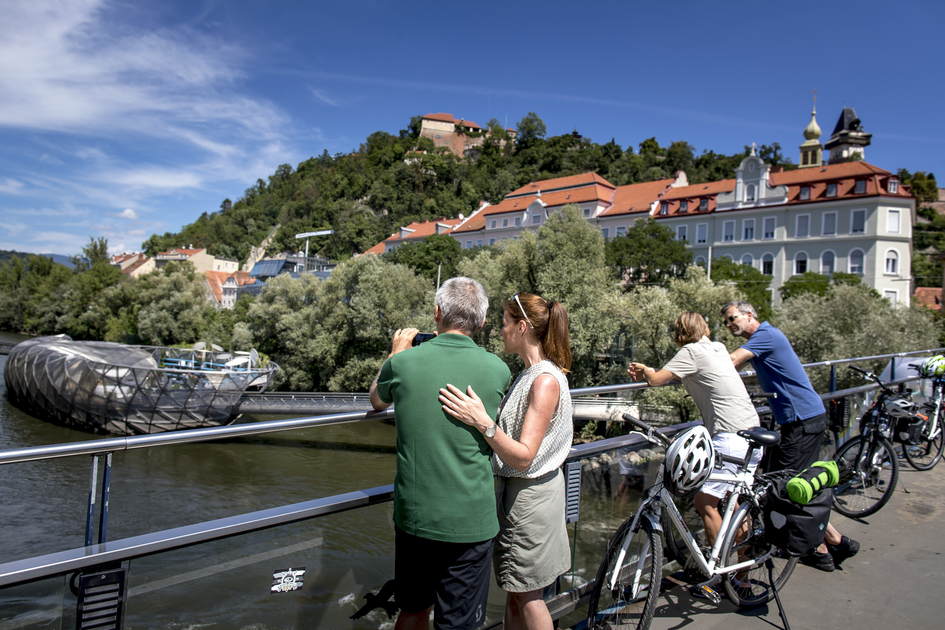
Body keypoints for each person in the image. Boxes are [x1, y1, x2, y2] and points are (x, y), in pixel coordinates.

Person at [370, 277, 511, 630]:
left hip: (416, 516)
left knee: (414, 609)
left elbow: (376, 399)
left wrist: (395, 355)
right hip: (471, 522)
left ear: (436, 313)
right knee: (459, 624)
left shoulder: (403, 364)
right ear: (480, 323)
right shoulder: (498, 369)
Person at [438, 292, 573, 630]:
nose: (500, 331)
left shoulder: (543, 381)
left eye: (505, 324)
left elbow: (524, 457)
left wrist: (482, 421)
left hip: (530, 499)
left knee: (528, 596)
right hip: (531, 495)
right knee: (518, 592)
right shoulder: (535, 374)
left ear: (523, 327)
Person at [722, 300, 860, 572]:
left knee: (785, 487)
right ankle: (836, 541)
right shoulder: (765, 337)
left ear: (749, 314)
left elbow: (732, 361)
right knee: (795, 484)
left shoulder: (765, 335)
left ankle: (820, 549)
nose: (729, 325)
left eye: (732, 318)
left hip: (802, 421)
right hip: (802, 419)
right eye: (726, 321)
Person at [628, 311, 761, 548]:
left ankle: (718, 568)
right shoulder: (718, 348)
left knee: (704, 503)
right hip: (752, 433)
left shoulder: (690, 352)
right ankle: (741, 576)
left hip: (730, 437)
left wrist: (647, 371)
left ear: (681, 332)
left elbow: (658, 380)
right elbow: (699, 374)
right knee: (735, 502)